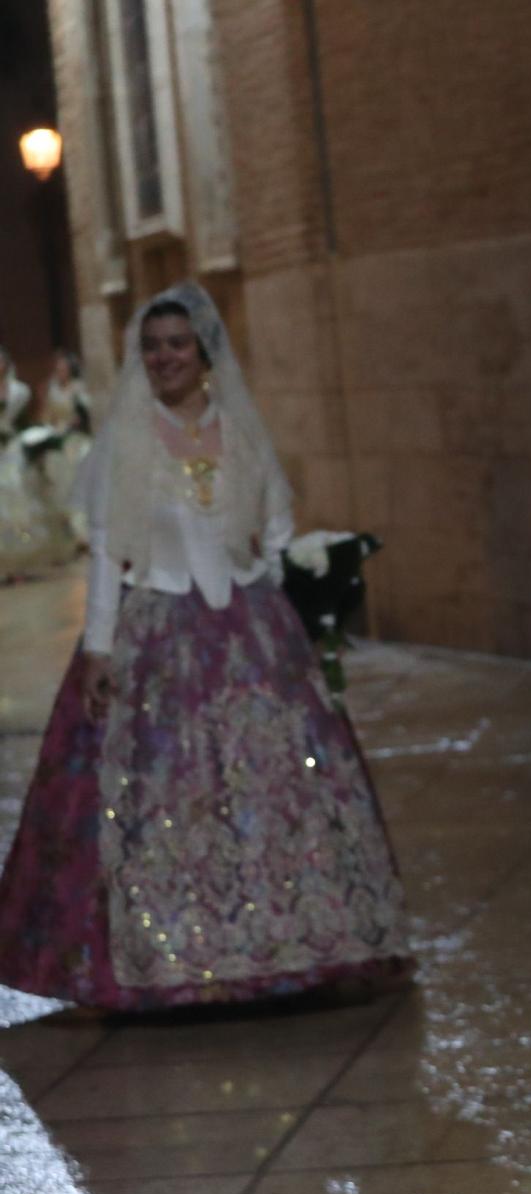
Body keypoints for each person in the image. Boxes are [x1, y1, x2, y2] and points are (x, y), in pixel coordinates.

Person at [0, 283, 409, 1013]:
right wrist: (98, 649)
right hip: (156, 628)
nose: (164, 357)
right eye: (152, 345)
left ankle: (288, 946)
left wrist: (299, 602)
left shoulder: (241, 430)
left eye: (177, 344)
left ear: (204, 352)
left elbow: (277, 524)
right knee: (157, 793)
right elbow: (105, 553)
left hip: (252, 627)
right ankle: (175, 958)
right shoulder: (125, 440)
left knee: (280, 785)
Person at [0, 345, 66, 578]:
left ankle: (24, 563)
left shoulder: (19, 391)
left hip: (13, 449)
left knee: (21, 494)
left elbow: (24, 420)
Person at [35, 348, 93, 544]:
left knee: (77, 465)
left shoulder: (78, 388)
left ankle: (83, 529)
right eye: (57, 368)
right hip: (56, 437)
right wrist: (49, 427)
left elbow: (85, 415)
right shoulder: (52, 388)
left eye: (64, 368)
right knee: (52, 470)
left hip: (75, 438)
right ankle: (65, 529)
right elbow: (46, 416)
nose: (60, 372)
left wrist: (74, 422)